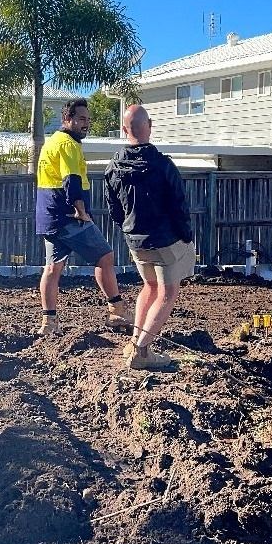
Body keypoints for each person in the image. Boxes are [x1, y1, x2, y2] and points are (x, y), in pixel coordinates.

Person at [106, 104, 195, 370]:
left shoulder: (113, 166)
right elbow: (179, 206)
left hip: (135, 240)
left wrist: (130, 229)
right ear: (150, 126)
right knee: (168, 292)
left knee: (149, 287)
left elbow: (114, 210)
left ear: (124, 129)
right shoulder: (162, 164)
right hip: (164, 240)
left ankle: (134, 341)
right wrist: (186, 236)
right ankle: (142, 351)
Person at [35, 98, 131, 337]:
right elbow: (71, 180)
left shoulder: (52, 142)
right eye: (80, 119)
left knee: (52, 268)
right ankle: (116, 310)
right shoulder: (68, 144)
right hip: (69, 217)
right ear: (67, 119)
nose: (85, 124)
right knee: (105, 256)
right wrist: (80, 210)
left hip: (49, 217)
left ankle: (49, 323)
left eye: (88, 119)